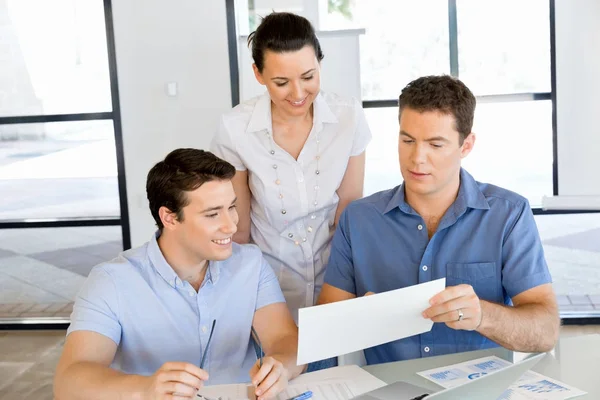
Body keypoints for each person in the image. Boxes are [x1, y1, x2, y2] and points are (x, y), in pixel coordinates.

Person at [318, 75, 560, 364]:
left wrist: (483, 315)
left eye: (435, 145)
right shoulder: (358, 220)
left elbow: (545, 332)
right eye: (407, 140)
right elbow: (325, 335)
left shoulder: (509, 216)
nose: (417, 158)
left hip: (480, 391)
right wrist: (359, 318)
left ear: (466, 145)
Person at [54, 149, 304, 400]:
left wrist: (281, 365)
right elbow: (69, 382)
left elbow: (284, 338)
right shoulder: (111, 281)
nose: (231, 225)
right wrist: (145, 389)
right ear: (170, 218)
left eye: (232, 207)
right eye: (212, 214)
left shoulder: (251, 263)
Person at [211, 12, 372, 321]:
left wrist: (345, 285)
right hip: (267, 283)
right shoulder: (235, 129)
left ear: (320, 64)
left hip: (336, 280)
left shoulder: (348, 116)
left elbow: (349, 209)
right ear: (258, 74)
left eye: (308, 77)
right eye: (281, 82)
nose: (298, 94)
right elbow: (238, 228)